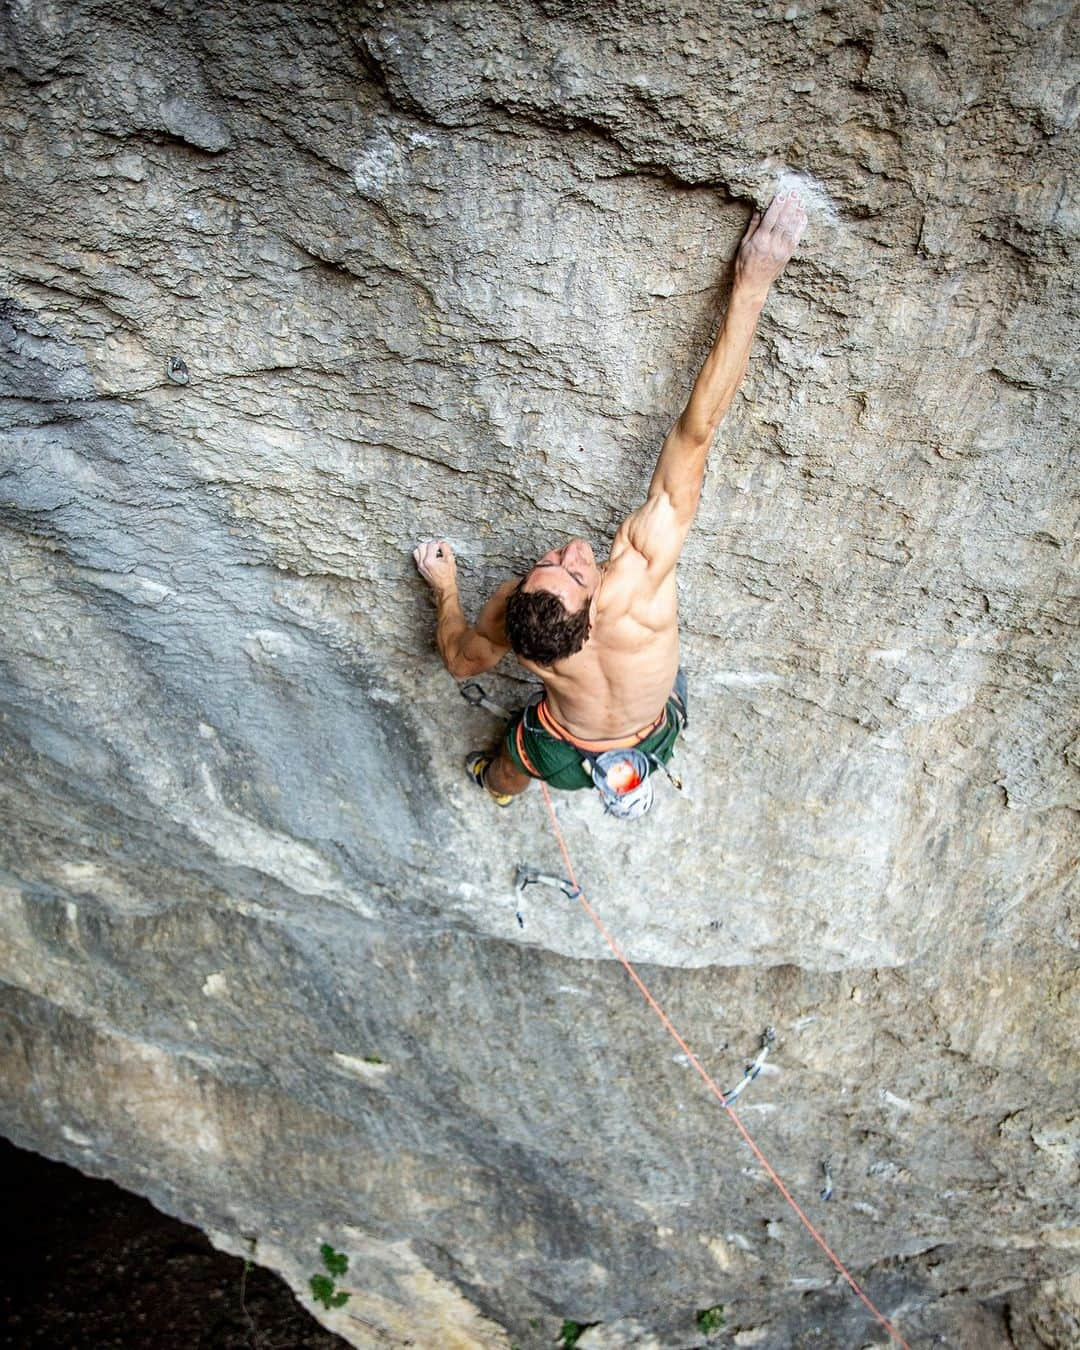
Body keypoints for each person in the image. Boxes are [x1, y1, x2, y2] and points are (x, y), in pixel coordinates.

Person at [414, 190, 808, 805]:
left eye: (554, 563)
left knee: (518, 762)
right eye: (569, 568)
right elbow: (694, 435)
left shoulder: (509, 624)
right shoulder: (640, 583)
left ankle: (495, 786)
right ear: (591, 609)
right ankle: (499, 784)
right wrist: (756, 284)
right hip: (652, 740)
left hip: (564, 746)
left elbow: (463, 662)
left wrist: (446, 591)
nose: (569, 549)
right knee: (555, 744)